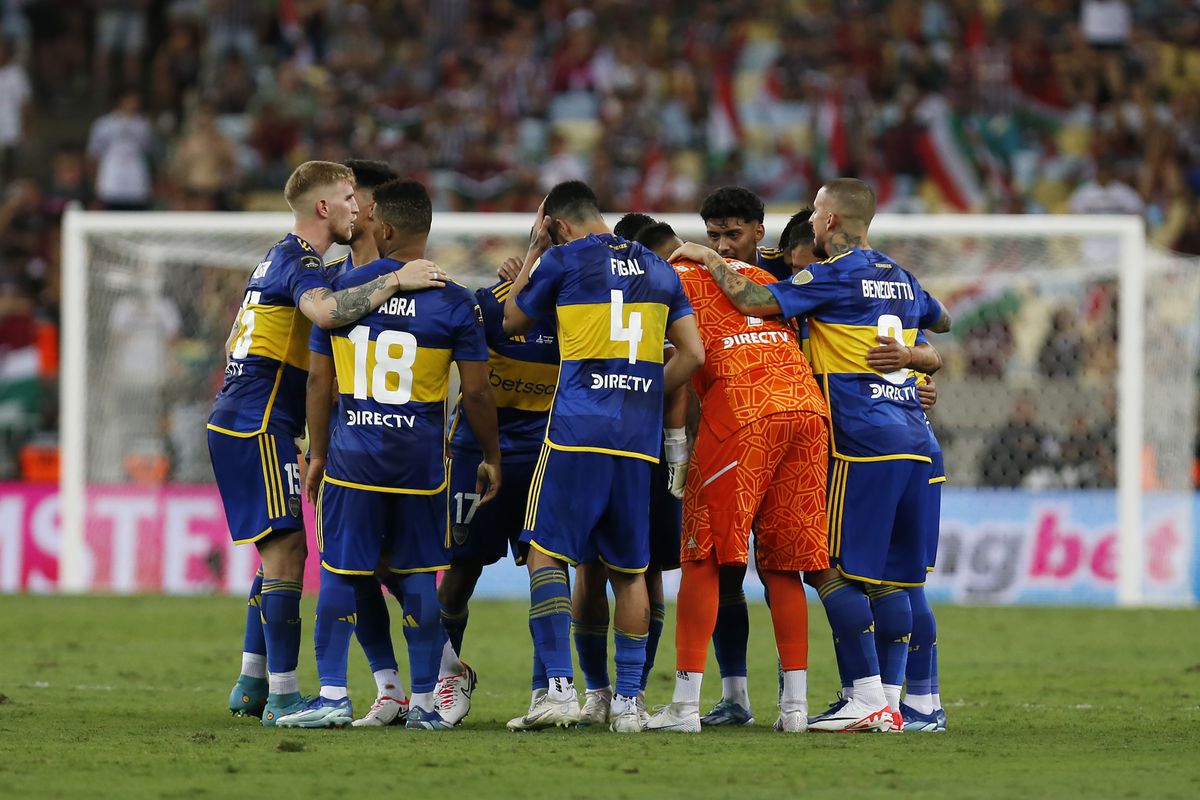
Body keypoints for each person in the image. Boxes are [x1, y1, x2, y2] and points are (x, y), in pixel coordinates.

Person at [687, 177, 950, 732]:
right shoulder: (899, 275)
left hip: (857, 439)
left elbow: (754, 300)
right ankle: (911, 703)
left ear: (828, 221)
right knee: (898, 579)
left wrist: (707, 259)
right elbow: (942, 320)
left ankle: (869, 698)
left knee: (833, 568)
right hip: (913, 435)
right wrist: (917, 356)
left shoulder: (829, 276)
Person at [208, 160, 446, 726]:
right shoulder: (301, 263)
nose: (356, 208)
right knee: (289, 553)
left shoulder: (276, 257)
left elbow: (229, 342)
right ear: (324, 208)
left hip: (246, 417)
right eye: (347, 198)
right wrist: (394, 279)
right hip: (256, 423)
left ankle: (251, 680)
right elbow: (323, 311)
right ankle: (286, 694)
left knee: (277, 550)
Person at [279, 179, 500, 730]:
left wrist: (318, 455)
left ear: (388, 228)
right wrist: (491, 453)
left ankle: (332, 695)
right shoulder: (454, 300)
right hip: (420, 464)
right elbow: (475, 392)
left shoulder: (342, 293)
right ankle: (424, 702)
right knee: (418, 578)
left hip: (354, 458)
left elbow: (318, 386)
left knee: (340, 573)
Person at [502, 182, 704, 733]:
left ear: (558, 223)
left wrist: (534, 248)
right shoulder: (661, 271)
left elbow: (512, 322)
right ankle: (631, 704)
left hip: (574, 434)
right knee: (629, 572)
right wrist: (640, 393)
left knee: (546, 555)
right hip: (636, 444)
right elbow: (694, 353)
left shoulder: (563, 258)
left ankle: (561, 691)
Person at [635, 221, 831, 734]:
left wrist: (674, 443)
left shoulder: (664, 276)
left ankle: (682, 708)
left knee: (702, 556)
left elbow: (685, 357)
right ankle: (795, 711)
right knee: (784, 567)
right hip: (808, 411)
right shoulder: (752, 273)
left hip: (743, 412)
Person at [568, 212, 689, 728]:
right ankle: (621, 695)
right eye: (670, 252)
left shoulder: (592, 283)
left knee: (614, 569)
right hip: (650, 448)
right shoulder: (658, 290)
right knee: (634, 570)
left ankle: (608, 692)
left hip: (604, 438)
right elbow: (689, 364)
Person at [434, 257, 560, 726]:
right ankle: (445, 677)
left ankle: (546, 690)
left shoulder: (573, 312)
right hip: (475, 451)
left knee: (548, 566)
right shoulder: (488, 305)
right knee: (461, 568)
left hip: (542, 453)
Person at [701, 185, 792, 282]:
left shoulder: (789, 264)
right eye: (714, 236)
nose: (722, 247)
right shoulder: (696, 273)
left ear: (758, 233)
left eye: (733, 235)